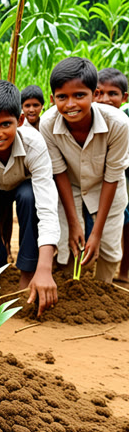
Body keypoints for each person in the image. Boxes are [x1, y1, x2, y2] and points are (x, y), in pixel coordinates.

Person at [0, 80, 59, 317]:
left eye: (6, 124)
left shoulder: (34, 143)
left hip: (24, 185)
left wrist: (44, 268)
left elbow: (47, 207)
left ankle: (27, 273)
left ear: (21, 120)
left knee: (29, 197)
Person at [40, 57, 129, 283]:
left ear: (95, 95)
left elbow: (113, 177)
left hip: (108, 189)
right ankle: (69, 291)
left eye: (79, 95)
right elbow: (59, 172)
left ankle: (102, 293)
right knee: (68, 245)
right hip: (69, 188)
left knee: (108, 248)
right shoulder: (47, 124)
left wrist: (96, 233)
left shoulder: (118, 124)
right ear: (52, 99)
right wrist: (73, 222)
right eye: (62, 97)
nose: (71, 104)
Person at [93, 68, 129, 282]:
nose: (105, 99)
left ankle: (123, 272)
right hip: (93, 181)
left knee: (124, 219)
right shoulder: (83, 119)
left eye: (112, 94)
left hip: (120, 177)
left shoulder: (123, 122)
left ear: (124, 98)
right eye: (99, 93)